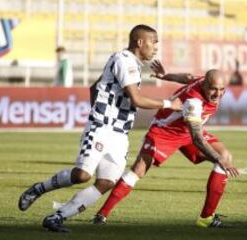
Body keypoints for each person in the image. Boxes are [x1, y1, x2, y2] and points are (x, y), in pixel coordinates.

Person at [18, 24, 182, 233]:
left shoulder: (130, 63)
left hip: (120, 134)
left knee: (106, 182)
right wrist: (170, 104)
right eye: (154, 41)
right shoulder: (124, 60)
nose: (156, 46)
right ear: (140, 42)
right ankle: (38, 189)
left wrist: (103, 106)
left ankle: (57, 217)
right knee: (82, 175)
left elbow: (94, 87)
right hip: (101, 128)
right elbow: (137, 99)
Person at [92, 62, 240, 228]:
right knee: (139, 170)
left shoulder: (203, 82)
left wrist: (166, 76)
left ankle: (206, 218)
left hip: (187, 130)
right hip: (165, 131)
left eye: (221, 89)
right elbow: (197, 138)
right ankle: (101, 214)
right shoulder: (193, 102)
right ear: (205, 84)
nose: (218, 93)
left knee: (226, 157)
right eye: (214, 89)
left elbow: (188, 77)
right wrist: (217, 157)